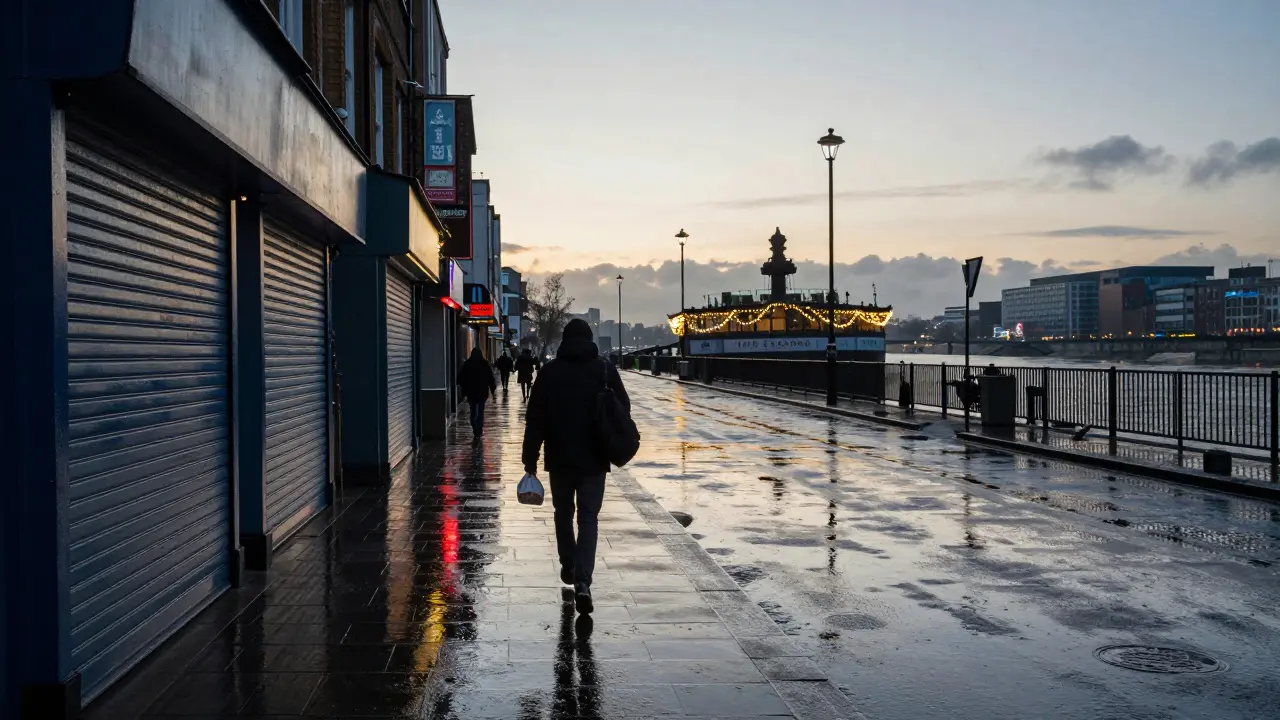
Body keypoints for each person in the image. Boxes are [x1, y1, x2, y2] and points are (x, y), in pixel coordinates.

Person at [523, 319, 631, 615]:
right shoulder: (604, 369)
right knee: (588, 518)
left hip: (559, 458)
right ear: (589, 339)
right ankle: (583, 581)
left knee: (562, 513)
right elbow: (624, 408)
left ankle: (568, 563)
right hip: (595, 459)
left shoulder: (549, 372)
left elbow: (535, 420)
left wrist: (529, 458)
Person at [457, 348, 496, 437]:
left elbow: (460, 378)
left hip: (471, 392)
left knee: (473, 410)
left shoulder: (468, 363)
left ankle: (475, 428)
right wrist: (492, 390)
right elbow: (491, 377)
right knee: (481, 410)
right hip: (482, 391)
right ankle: (479, 428)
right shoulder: (485, 363)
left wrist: (464, 390)